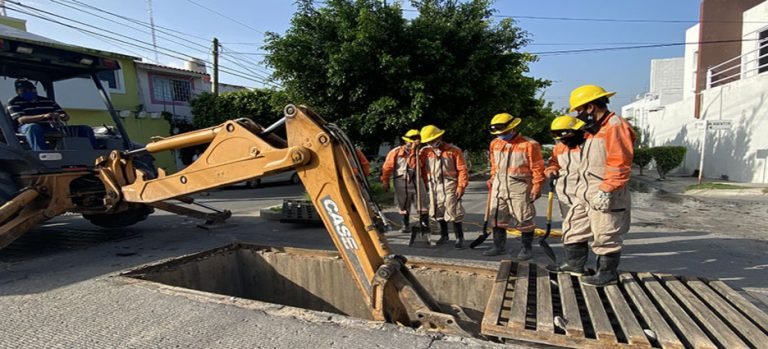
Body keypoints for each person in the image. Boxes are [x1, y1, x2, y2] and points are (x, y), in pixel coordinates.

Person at [565, 84, 635, 286]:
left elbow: (620, 162)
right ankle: (575, 265)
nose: (578, 115)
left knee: (606, 233)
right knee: (574, 228)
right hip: (586, 193)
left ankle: (607, 274)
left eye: (579, 110)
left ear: (590, 107)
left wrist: (606, 190)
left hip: (607, 191)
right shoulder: (594, 130)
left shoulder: (615, 126)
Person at [483, 113, 545, 261]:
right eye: (498, 133)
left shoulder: (529, 145)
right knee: (497, 217)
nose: (501, 135)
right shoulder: (495, 143)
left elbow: (537, 168)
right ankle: (498, 246)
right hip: (499, 185)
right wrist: (493, 177)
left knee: (524, 217)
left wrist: (537, 187)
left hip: (520, 186)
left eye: (503, 132)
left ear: (513, 127)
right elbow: (494, 164)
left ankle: (526, 248)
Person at [545, 115, 589, 275]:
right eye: (559, 138)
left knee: (575, 229)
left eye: (565, 137)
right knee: (572, 227)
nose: (563, 141)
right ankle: (576, 262)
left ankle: (576, 265)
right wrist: (550, 171)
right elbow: (553, 163)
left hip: (585, 193)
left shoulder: (589, 146)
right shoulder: (559, 148)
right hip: (565, 194)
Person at [7, 79, 96, 151]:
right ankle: (42, 154)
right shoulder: (14, 102)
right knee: (33, 127)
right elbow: (22, 120)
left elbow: (65, 116)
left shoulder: (47, 101)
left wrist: (62, 116)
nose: (29, 92)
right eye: (24, 90)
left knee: (85, 129)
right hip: (25, 128)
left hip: (50, 127)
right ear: (18, 92)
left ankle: (94, 153)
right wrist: (45, 116)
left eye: (31, 89)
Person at [419, 125, 468, 248]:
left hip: (450, 184)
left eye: (433, 140)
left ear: (440, 136)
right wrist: (415, 150)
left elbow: (462, 170)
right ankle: (444, 236)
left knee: (454, 210)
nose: (431, 143)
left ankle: (459, 238)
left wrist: (461, 186)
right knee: (437, 210)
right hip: (433, 185)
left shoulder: (454, 151)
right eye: (428, 141)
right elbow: (415, 165)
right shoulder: (425, 152)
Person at [380, 129, 429, 233]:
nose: (416, 142)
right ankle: (405, 225)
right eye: (412, 140)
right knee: (403, 204)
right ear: (406, 141)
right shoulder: (396, 152)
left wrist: (425, 182)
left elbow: (424, 169)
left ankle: (424, 226)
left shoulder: (420, 153)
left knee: (422, 204)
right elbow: (387, 168)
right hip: (401, 181)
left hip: (417, 181)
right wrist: (385, 181)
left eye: (418, 139)